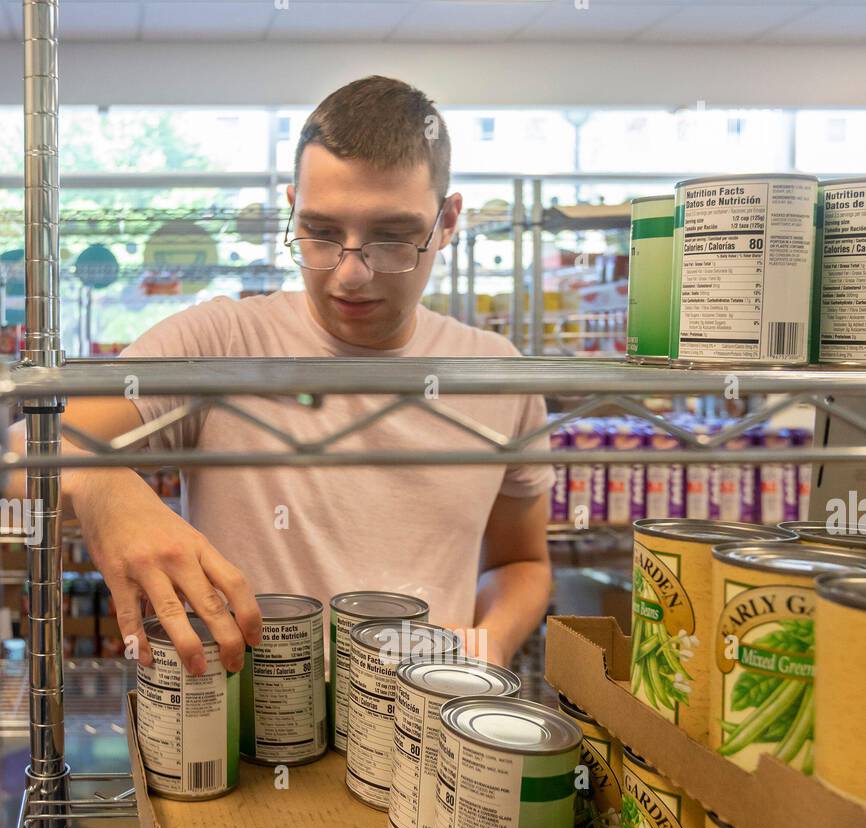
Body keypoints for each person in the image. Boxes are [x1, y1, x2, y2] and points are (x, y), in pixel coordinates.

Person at [10, 76, 554, 675]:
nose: (351, 274)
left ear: (447, 222)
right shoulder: (217, 343)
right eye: (320, 232)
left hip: (422, 732)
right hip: (243, 735)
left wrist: (490, 641)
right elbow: (23, 451)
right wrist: (104, 489)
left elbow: (519, 563)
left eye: (392, 239)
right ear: (293, 206)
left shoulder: (499, 378)